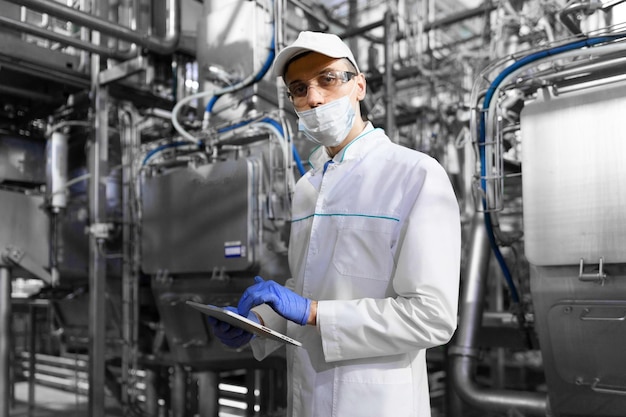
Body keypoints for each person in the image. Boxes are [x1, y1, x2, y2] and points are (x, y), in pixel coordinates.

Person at [207, 31, 461, 417]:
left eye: (328, 79)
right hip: (308, 398)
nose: (314, 97)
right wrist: (258, 322)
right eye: (299, 88)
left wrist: (313, 312)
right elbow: (306, 292)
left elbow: (432, 317)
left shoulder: (415, 173)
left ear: (359, 85)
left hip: (377, 404)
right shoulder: (308, 187)